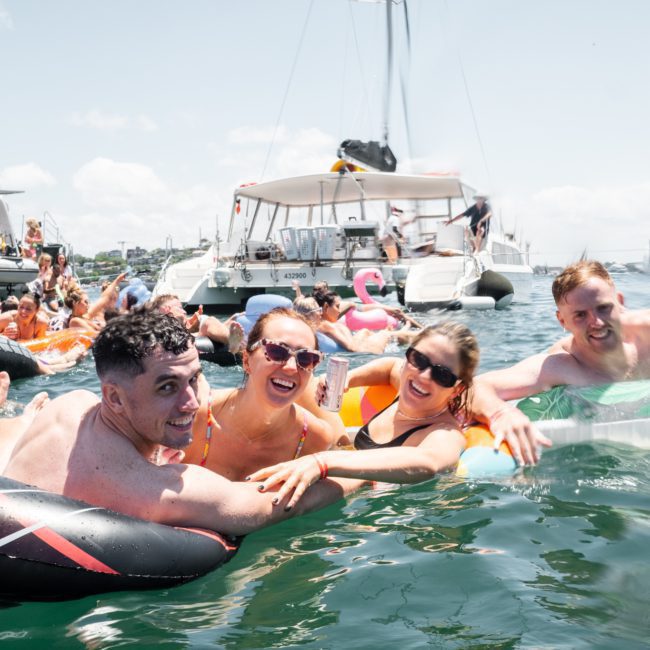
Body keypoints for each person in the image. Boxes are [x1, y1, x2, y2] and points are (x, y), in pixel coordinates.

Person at [3, 310, 362, 536]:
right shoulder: (161, 488)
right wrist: (360, 471)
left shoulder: (68, 404)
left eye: (194, 380)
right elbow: (270, 507)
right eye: (167, 387)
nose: (192, 402)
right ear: (113, 397)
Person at [247, 321, 480, 508]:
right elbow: (389, 367)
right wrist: (348, 379)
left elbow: (429, 462)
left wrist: (322, 462)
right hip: (339, 456)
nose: (424, 376)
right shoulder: (409, 385)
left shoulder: (445, 434)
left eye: (442, 375)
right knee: (305, 383)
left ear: (457, 389)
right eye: (418, 359)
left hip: (361, 501)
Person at [469, 259, 650, 465]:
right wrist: (502, 413)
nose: (597, 323)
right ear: (562, 321)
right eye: (580, 315)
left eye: (604, 308)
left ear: (620, 302)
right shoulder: (562, 364)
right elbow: (474, 387)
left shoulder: (646, 333)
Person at [183, 307, 346, 479]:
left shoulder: (315, 440)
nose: (291, 367)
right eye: (277, 351)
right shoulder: (193, 421)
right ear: (246, 360)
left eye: (306, 358)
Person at [314, 290, 414, 353]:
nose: (339, 310)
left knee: (365, 331)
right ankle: (408, 332)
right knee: (385, 334)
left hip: (359, 346)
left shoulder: (317, 323)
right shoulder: (326, 325)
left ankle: (404, 331)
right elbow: (352, 348)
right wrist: (345, 331)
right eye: (337, 307)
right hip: (366, 350)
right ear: (326, 306)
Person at [149, 294, 245, 354]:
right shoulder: (158, 328)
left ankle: (233, 335)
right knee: (208, 321)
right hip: (189, 342)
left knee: (210, 321)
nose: (184, 312)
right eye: (180, 308)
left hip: (192, 339)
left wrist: (194, 324)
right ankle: (233, 340)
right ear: (167, 309)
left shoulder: (172, 327)